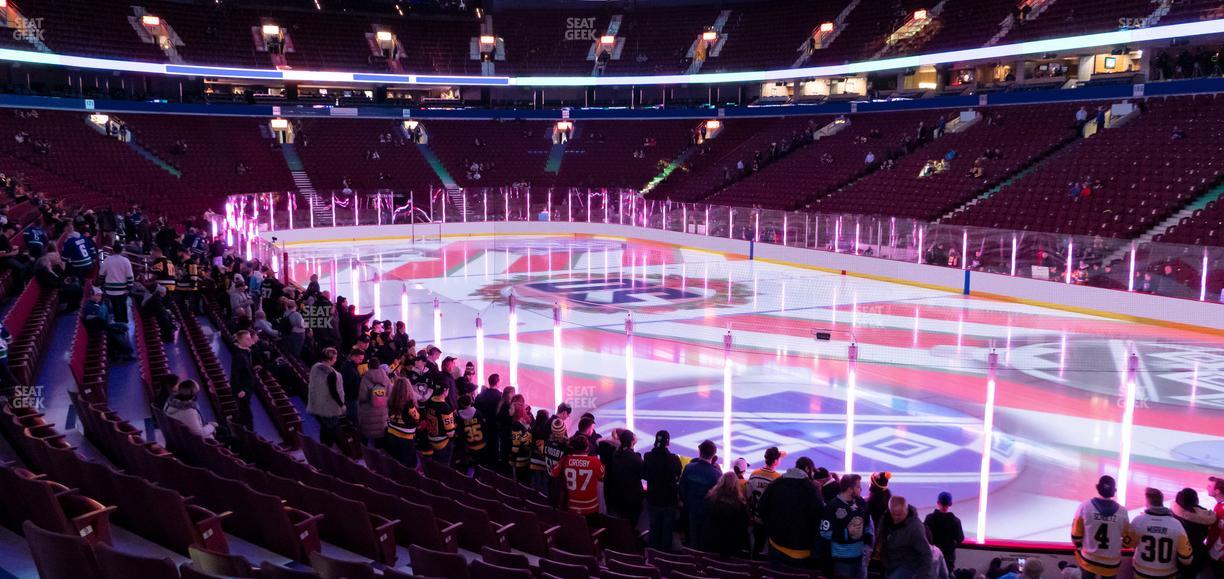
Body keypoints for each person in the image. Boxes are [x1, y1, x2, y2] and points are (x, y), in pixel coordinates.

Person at [757, 456, 823, 570]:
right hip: (801, 551)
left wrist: (772, 529)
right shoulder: (811, 489)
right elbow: (819, 517)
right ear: (807, 469)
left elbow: (762, 507)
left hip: (775, 545)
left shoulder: (776, 483)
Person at [1071, 475, 1132, 579]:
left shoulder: (1085, 506)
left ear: (1097, 487)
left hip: (1088, 560)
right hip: (1111, 562)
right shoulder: (1122, 511)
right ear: (1114, 491)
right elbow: (1127, 540)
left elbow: (1076, 537)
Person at [1127, 488, 1192, 579]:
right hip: (1167, 574)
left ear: (1147, 503)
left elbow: (1128, 544)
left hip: (1142, 573)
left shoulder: (1138, 521)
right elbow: (1187, 559)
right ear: (1161, 501)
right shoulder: (1176, 525)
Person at [823, 473, 873, 579]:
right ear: (850, 489)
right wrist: (846, 532)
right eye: (858, 487)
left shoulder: (862, 503)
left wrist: (868, 545)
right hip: (841, 561)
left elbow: (868, 525)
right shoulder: (833, 506)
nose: (861, 489)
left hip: (861, 559)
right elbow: (824, 533)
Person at [643, 430, 682, 551]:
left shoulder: (648, 456)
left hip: (653, 499)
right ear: (668, 442)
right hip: (668, 501)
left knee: (654, 528)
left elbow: (644, 474)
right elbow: (678, 475)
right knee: (667, 530)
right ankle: (665, 556)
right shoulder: (674, 459)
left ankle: (653, 554)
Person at [877, 495, 933, 579]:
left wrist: (923, 576)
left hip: (908, 564)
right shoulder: (885, 519)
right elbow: (880, 537)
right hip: (889, 563)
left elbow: (926, 554)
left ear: (906, 510)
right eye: (894, 514)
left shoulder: (915, 528)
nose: (896, 518)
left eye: (899, 514)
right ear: (890, 510)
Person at [680, 440, 722, 549]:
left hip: (691, 509)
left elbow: (682, 488)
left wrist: (687, 503)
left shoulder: (689, 468)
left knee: (693, 539)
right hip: (707, 513)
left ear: (699, 451)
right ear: (714, 454)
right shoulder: (716, 474)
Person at [550, 435, 604, 517]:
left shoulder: (565, 460)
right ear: (587, 448)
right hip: (590, 507)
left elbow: (553, 473)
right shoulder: (595, 461)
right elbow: (602, 476)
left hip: (570, 506)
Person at [747, 447, 785, 556]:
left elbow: (748, 497)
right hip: (770, 521)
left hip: (756, 518)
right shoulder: (778, 478)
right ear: (775, 461)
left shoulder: (754, 474)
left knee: (756, 546)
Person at [704, 472, 750, 557]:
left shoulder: (711, 498)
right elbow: (744, 525)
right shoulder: (740, 504)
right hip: (731, 545)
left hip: (712, 541)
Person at [307, 347, 345, 448]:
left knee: (325, 427)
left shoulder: (315, 368)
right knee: (333, 428)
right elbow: (334, 392)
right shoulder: (331, 374)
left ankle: (324, 447)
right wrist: (342, 405)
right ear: (329, 359)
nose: (336, 360)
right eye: (335, 358)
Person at [1172, 487, 1214, 578]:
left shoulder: (1174, 514)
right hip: (1198, 556)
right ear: (1195, 499)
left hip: (1177, 556)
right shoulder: (1206, 515)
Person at [607, 429, 644, 524]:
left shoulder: (616, 455)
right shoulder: (635, 458)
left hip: (618, 496)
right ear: (632, 441)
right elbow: (644, 474)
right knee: (631, 523)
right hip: (632, 499)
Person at [925, 491, 964, 574]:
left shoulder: (929, 519)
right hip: (948, 557)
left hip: (931, 555)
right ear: (950, 504)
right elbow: (960, 539)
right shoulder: (955, 521)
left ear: (938, 502)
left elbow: (924, 536)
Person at [384, 377, 420, 468]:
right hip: (405, 437)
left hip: (391, 433)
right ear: (408, 388)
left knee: (396, 462)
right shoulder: (409, 404)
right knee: (408, 465)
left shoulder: (391, 400)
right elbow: (417, 417)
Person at [357, 357, 391, 444]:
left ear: (368, 366)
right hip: (382, 412)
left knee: (366, 435)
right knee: (380, 438)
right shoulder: (386, 378)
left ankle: (365, 453)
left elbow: (362, 397)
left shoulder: (365, 379)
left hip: (368, 412)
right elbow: (390, 394)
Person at [420, 383, 456, 464]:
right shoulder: (445, 408)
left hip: (431, 438)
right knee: (444, 468)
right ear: (445, 391)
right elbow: (450, 432)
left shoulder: (429, 401)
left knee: (436, 464)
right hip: (442, 442)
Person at [96, 244, 133, 323]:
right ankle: (125, 321)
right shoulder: (126, 260)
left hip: (110, 289)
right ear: (121, 250)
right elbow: (130, 275)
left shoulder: (107, 260)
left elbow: (101, 274)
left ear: (112, 250)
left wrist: (101, 282)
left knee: (115, 305)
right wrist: (129, 287)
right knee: (123, 305)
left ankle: (118, 322)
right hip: (123, 289)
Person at [228, 329, 257, 429]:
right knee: (246, 413)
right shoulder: (239, 356)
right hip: (243, 389)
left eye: (250, 338)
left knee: (245, 411)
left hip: (247, 386)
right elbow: (235, 374)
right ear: (240, 341)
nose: (250, 340)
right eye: (247, 339)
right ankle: (250, 434)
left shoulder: (246, 351)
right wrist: (239, 390)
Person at [1208, 477, 1224, 577]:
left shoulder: (1222, 508)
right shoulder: (1219, 505)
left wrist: (1214, 553)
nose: (1207, 488)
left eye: (1210, 486)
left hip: (1218, 556)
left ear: (1217, 491)